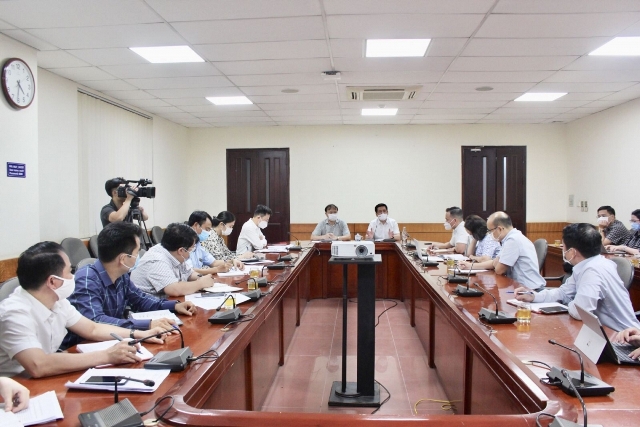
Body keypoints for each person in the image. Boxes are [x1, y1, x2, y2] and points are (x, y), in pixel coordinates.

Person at [0, 242, 166, 378]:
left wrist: (138, 334)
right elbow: (38, 365)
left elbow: (92, 329)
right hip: (15, 389)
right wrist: (107, 356)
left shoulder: (57, 301)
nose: (73, 276)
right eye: (69, 271)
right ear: (52, 282)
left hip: (46, 377)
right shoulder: (14, 314)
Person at [61, 222, 197, 350]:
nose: (138, 256)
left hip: (113, 342)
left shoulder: (121, 275)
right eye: (137, 252)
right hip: (81, 348)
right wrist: (147, 324)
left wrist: (174, 306)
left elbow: (141, 300)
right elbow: (96, 321)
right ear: (123, 258)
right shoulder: (87, 278)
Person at [515, 223, 639, 332]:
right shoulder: (589, 264)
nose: (563, 250)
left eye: (563, 247)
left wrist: (570, 302)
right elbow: (563, 293)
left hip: (621, 337)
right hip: (600, 332)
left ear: (572, 252)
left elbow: (580, 311)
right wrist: (534, 296)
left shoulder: (593, 271)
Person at [131, 223, 215, 297]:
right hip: (148, 306)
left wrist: (202, 278)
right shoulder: (157, 259)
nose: (191, 252)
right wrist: (200, 283)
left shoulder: (174, 252)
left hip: (165, 302)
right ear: (181, 250)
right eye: (191, 249)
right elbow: (174, 289)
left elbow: (189, 273)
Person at [488, 211, 546, 290]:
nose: (490, 234)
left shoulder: (513, 240)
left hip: (529, 290)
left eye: (491, 231)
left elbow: (499, 270)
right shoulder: (508, 239)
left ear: (499, 229)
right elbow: (494, 262)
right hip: (519, 287)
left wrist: (497, 262)